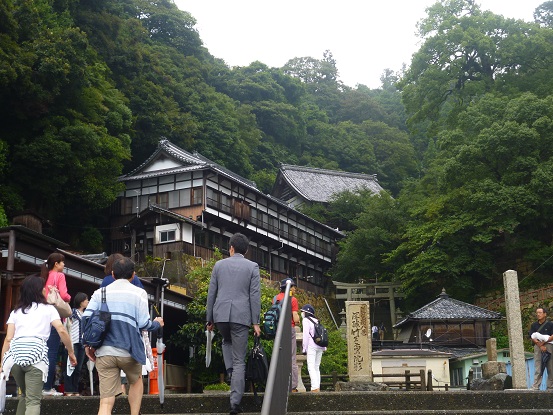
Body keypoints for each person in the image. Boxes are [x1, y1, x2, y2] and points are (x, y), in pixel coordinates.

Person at [84, 257, 163, 415]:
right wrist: (157, 323)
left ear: (112, 274)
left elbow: (86, 319)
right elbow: (144, 324)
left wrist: (87, 345)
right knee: (136, 381)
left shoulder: (100, 293)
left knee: (105, 402)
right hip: (130, 351)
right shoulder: (139, 293)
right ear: (133, 275)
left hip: (105, 352)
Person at [0, 275, 76, 415]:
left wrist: (1, 364)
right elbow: (61, 330)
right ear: (38, 290)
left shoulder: (16, 312)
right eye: (42, 288)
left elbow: (8, 339)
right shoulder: (48, 309)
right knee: (33, 400)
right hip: (36, 357)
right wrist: (71, 352)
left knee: (25, 396)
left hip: (15, 358)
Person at [206, 233, 261, 415]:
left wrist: (209, 318)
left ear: (231, 248)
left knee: (226, 341)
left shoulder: (219, 265)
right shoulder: (252, 267)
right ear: (246, 250)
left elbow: (211, 294)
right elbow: (254, 296)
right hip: (241, 316)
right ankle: (235, 404)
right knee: (240, 361)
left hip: (220, 315)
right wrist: (256, 322)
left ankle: (230, 372)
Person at [41, 252, 71, 396]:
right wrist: (69, 298)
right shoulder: (59, 276)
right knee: (51, 353)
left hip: (42, 316)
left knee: (42, 351)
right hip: (55, 316)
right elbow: (64, 295)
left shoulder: (44, 276)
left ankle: (39, 385)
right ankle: (47, 387)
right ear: (56, 264)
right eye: (62, 262)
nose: (64, 265)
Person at [274, 277, 300, 392]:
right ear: (289, 288)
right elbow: (295, 317)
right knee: (292, 357)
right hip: (289, 329)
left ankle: (280, 384)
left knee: (280, 357)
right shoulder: (292, 299)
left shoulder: (276, 298)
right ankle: (293, 386)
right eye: (293, 287)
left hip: (278, 330)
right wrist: (298, 319)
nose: (295, 289)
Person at [63, 292, 89, 396]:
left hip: (82, 343)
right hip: (72, 342)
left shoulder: (86, 314)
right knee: (70, 367)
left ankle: (74, 389)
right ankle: (68, 390)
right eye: (86, 300)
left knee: (78, 368)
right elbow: (66, 324)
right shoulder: (73, 312)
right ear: (81, 301)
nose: (87, 302)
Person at [301, 304, 326, 393]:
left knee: (311, 367)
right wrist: (324, 347)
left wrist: (304, 349)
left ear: (306, 312)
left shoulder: (306, 320)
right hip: (320, 346)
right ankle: (317, 386)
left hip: (312, 346)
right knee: (316, 367)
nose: (302, 313)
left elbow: (305, 335)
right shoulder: (316, 321)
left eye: (302, 311)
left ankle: (314, 388)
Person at [529, 307, 553, 389]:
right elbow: (532, 336)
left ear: (545, 314)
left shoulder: (550, 324)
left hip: (549, 346)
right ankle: (535, 386)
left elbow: (552, 336)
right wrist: (540, 345)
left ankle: (550, 386)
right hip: (538, 346)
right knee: (538, 366)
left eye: (540, 312)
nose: (538, 314)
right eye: (537, 313)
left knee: (551, 366)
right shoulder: (534, 325)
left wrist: (544, 343)